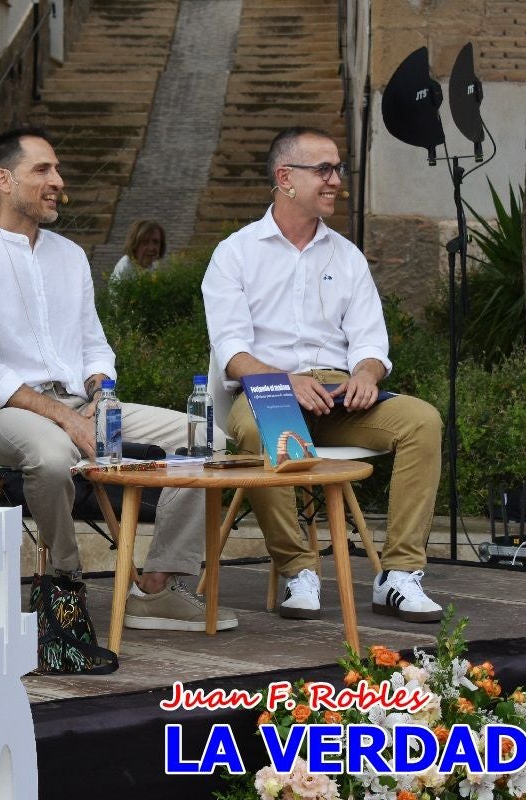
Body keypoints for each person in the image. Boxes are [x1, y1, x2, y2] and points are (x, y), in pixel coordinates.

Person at [0, 126, 235, 632]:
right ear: (3, 180)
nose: (57, 180)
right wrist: (67, 421)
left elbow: (94, 345)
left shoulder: (70, 256)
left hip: (84, 404)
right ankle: (65, 582)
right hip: (2, 413)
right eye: (42, 170)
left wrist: (100, 392)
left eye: (57, 170)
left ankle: (160, 583)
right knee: (52, 456)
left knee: (208, 439)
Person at [201, 126, 445, 623]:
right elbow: (232, 352)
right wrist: (286, 381)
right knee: (254, 429)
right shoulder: (235, 252)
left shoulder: (346, 256)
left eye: (338, 169)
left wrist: (367, 374)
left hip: (338, 394)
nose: (336, 180)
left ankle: (398, 575)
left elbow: (372, 341)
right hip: (269, 387)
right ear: (285, 178)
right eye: (324, 170)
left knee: (422, 420)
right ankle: (298, 569)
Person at [110, 219, 166, 284]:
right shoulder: (125, 268)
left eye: (156, 242)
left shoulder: (154, 265)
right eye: (145, 242)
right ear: (134, 244)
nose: (151, 248)